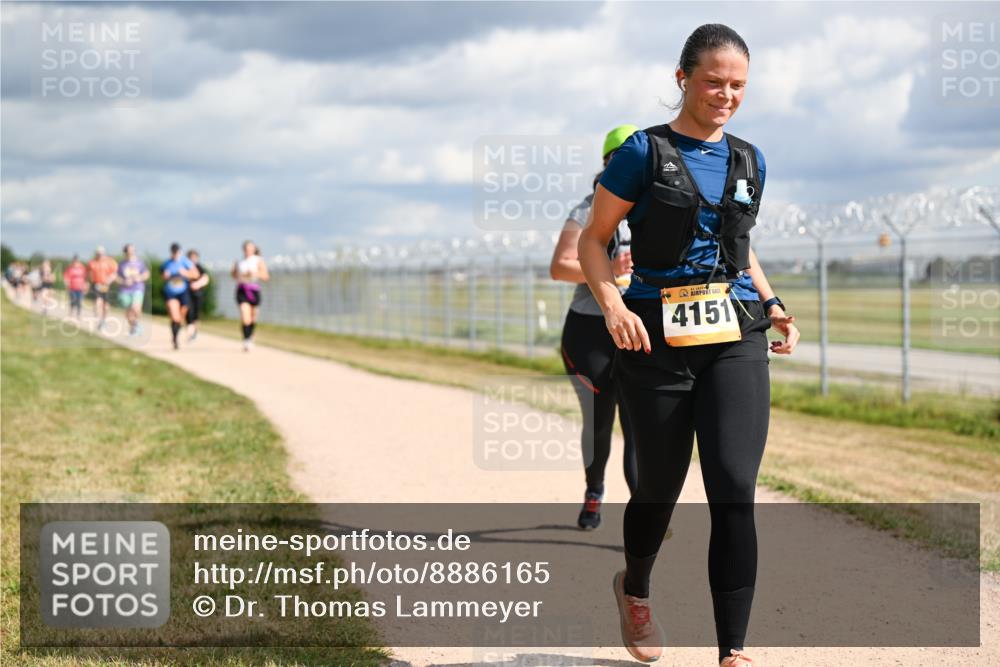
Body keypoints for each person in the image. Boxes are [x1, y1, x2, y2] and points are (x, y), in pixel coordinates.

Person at [578, 24, 799, 666]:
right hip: (654, 335)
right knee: (661, 487)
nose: (725, 95)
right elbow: (596, 239)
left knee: (734, 485)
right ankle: (636, 587)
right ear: (683, 80)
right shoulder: (642, 153)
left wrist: (774, 303)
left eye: (737, 86)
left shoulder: (750, 159)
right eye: (713, 82)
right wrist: (614, 306)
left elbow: (736, 244)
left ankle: (733, 650)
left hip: (734, 332)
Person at [551, 124, 640, 530]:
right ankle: (594, 491)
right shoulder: (586, 209)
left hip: (637, 327)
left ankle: (644, 511)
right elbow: (559, 266)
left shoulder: (652, 209)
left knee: (639, 421)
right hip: (590, 330)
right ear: (607, 164)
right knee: (600, 417)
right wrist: (604, 269)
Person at [231, 240, 269, 351]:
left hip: (254, 290)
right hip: (242, 290)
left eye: (250, 249)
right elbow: (234, 276)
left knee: (253, 317)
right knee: (245, 315)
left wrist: (255, 273)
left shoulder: (258, 260)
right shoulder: (239, 261)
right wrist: (235, 272)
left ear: (253, 249)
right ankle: (246, 340)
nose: (248, 251)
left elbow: (266, 276)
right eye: (246, 249)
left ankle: (250, 336)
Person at [160, 243, 198, 350]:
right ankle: (175, 339)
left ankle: (175, 333)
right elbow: (162, 276)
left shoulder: (185, 262)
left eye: (177, 252)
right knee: (174, 316)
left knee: (180, 317)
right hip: (171, 292)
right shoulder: (167, 263)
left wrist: (185, 273)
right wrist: (165, 276)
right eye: (173, 252)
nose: (175, 254)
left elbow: (196, 274)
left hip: (183, 292)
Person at [118, 244, 150, 336]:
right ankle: (134, 327)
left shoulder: (140, 263)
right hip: (125, 290)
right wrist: (124, 281)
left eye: (132, 251)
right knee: (128, 311)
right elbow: (117, 277)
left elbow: (146, 274)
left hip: (137, 288)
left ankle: (136, 326)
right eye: (129, 251)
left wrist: (139, 277)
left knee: (136, 309)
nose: (131, 253)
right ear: (125, 252)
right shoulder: (122, 264)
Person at [87, 246, 118, 330]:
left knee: (106, 306)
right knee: (98, 302)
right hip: (96, 285)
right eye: (98, 253)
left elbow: (115, 273)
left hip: (106, 286)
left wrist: (110, 279)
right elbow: (89, 273)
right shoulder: (92, 262)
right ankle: (99, 320)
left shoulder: (110, 262)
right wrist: (90, 282)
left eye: (101, 253)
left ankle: (104, 320)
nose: (99, 255)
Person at [185, 249, 210, 342]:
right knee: (188, 313)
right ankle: (189, 333)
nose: (193, 259)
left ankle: (194, 332)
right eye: (191, 258)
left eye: (195, 257)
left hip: (198, 294)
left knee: (196, 315)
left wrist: (197, 284)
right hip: (187, 294)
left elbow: (206, 278)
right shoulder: (185, 268)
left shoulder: (200, 268)